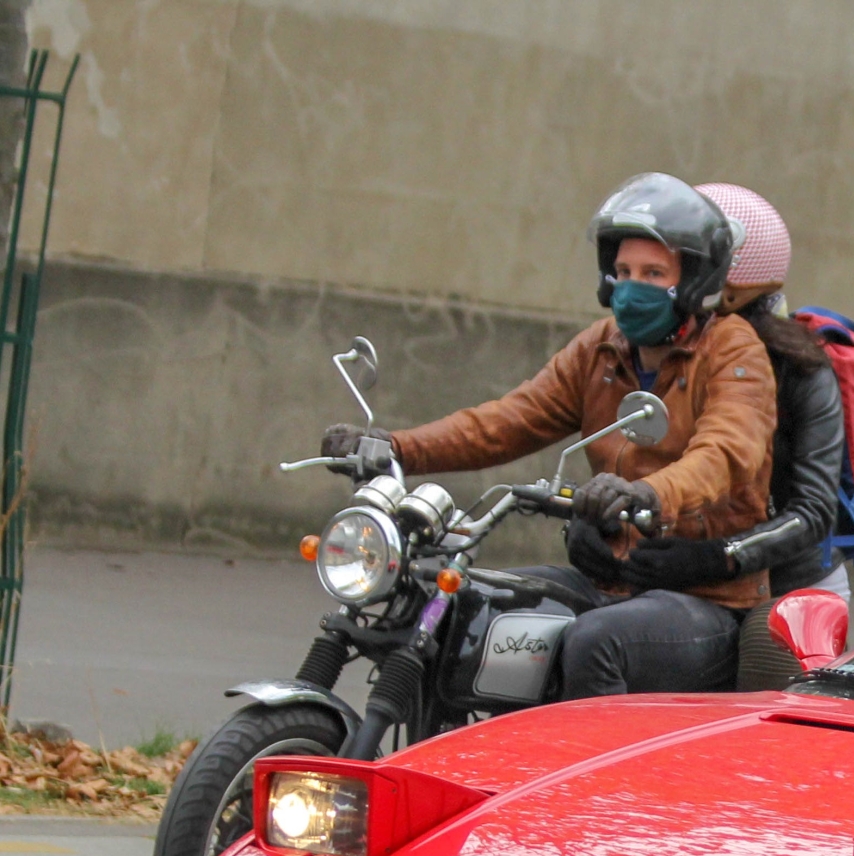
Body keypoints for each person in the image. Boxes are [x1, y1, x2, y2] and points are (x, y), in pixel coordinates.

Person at [322, 173, 778, 697]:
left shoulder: (734, 351)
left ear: (694, 281)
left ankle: (594, 780)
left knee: (595, 642)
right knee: (464, 606)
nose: (631, 286)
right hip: (612, 575)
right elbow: (508, 421)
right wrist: (394, 446)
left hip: (705, 597)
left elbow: (725, 451)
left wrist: (648, 493)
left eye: (653, 273)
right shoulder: (602, 348)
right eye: (623, 271)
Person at [616, 182, 850, 692]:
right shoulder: (657, 348)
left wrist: (716, 557)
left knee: (756, 705)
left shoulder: (803, 371)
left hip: (786, 588)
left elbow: (811, 513)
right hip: (683, 575)